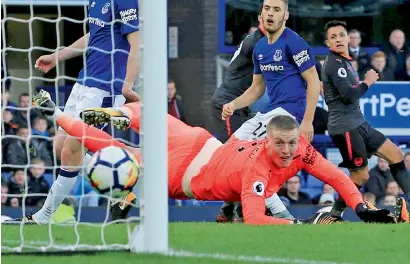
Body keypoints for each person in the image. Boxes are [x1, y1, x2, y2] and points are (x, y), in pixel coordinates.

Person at [13, 90, 403, 225]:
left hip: (181, 173)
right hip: (199, 144)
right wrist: (299, 225)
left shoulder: (289, 152)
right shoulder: (266, 158)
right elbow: (255, 217)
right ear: (269, 139)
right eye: (280, 144)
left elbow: (336, 175)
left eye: (291, 146)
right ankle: (106, 117)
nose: (288, 150)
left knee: (111, 150)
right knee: (148, 112)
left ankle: (56, 114)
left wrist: (359, 205)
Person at [31, 0, 140, 224]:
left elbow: (136, 45)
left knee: (71, 151)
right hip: (83, 83)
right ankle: (125, 188)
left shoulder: (125, 0)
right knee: (61, 146)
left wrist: (127, 85)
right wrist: (58, 55)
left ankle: (43, 217)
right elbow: (94, 36)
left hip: (105, 88)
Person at [220, 0, 321, 221]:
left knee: (250, 158)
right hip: (270, 112)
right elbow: (257, 89)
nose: (270, 13)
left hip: (289, 113)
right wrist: (233, 104)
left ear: (285, 15)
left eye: (276, 9)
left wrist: (307, 121)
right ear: (261, 13)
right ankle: (232, 206)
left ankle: (279, 214)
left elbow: (314, 80)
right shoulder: (260, 48)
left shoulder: (293, 41)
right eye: (267, 8)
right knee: (229, 150)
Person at [321, 20, 410, 219]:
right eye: (333, 37)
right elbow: (349, 96)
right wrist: (368, 81)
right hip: (345, 128)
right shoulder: (334, 64)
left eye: (341, 35)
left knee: (395, 154)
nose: (338, 39)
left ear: (348, 38)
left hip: (359, 123)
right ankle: (335, 214)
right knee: (360, 176)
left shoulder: (344, 62)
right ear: (327, 43)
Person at [210, 9, 266, 222]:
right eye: (266, 13)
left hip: (240, 105)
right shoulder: (258, 43)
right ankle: (237, 209)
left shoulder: (261, 41)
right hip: (229, 104)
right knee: (240, 155)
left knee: (249, 154)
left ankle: (229, 208)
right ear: (260, 19)